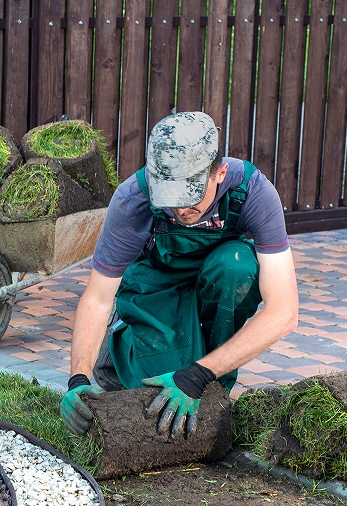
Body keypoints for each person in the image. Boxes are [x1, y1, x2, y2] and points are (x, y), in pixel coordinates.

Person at [60, 111, 298, 439]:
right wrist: (78, 378)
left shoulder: (253, 192)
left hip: (215, 281)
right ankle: (113, 361)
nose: (180, 211)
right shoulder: (134, 199)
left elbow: (284, 311)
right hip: (157, 284)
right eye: (170, 199)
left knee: (238, 266)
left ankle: (210, 377)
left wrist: (197, 376)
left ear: (220, 173)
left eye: (190, 198)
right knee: (159, 394)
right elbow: (98, 298)